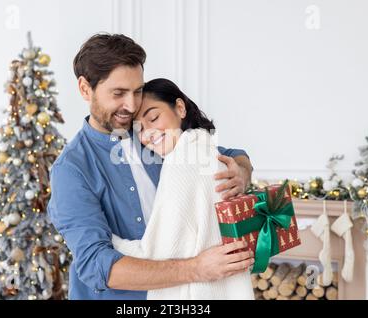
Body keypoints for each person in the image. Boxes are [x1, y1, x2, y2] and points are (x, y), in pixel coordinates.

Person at [48, 33, 254, 300]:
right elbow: (98, 266)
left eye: (137, 91)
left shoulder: (151, 134)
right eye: (119, 93)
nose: (132, 105)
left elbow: (226, 154)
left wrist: (241, 171)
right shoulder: (71, 170)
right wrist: (196, 269)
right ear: (86, 89)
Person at [112, 78, 255, 299]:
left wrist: (108, 239)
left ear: (180, 108)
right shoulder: (209, 152)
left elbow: (155, 254)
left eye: (154, 117)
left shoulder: (180, 164)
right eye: (139, 128)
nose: (148, 132)